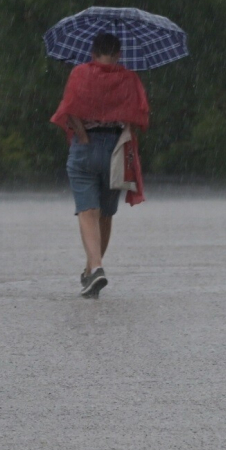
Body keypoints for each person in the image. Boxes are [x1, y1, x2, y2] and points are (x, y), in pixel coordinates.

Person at [50, 33, 149, 299]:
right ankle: (92, 270)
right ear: (118, 54)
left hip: (85, 148)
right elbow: (138, 117)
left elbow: (68, 109)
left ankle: (95, 267)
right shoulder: (129, 78)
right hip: (116, 150)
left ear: (92, 52)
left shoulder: (80, 74)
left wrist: (82, 136)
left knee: (87, 211)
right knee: (105, 213)